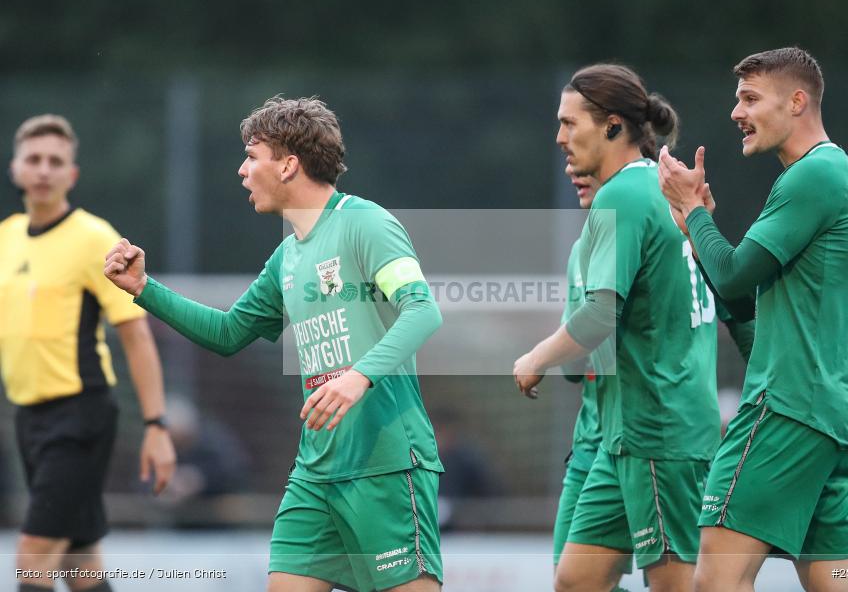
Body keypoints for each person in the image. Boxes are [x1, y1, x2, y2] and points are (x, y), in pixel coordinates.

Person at [104, 96, 444, 592]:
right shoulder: (286, 256)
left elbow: (423, 310)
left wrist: (357, 376)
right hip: (315, 473)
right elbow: (227, 334)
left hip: (385, 466)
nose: (242, 170)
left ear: (287, 164)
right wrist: (143, 289)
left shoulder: (366, 223)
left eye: (251, 155)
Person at [513, 63, 753, 592]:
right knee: (576, 581)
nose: (559, 137)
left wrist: (535, 358)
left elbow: (598, 319)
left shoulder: (622, 195)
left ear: (613, 125)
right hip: (628, 433)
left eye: (570, 123)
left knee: (681, 585)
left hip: (658, 432)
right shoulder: (661, 190)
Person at [659, 46, 848, 592]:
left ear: (797, 101)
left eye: (750, 98)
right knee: (837, 580)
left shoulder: (813, 175)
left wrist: (695, 213)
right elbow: (747, 301)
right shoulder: (830, 174)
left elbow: (730, 276)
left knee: (715, 580)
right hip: (829, 420)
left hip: (785, 412)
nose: (736, 112)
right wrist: (695, 227)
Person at [0, 114, 176, 592]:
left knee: (34, 556)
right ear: (15, 168)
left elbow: (136, 336)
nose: (43, 170)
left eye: (55, 161)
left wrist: (156, 426)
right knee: (81, 568)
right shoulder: (6, 236)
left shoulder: (93, 237)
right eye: (33, 159)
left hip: (79, 415)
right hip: (28, 418)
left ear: (71, 175)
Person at [552, 166, 631, 590]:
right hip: (594, 444)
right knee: (574, 580)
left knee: (691, 578)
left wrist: (538, 356)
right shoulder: (674, 232)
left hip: (642, 439)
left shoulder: (588, 247)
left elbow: (569, 365)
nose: (573, 170)